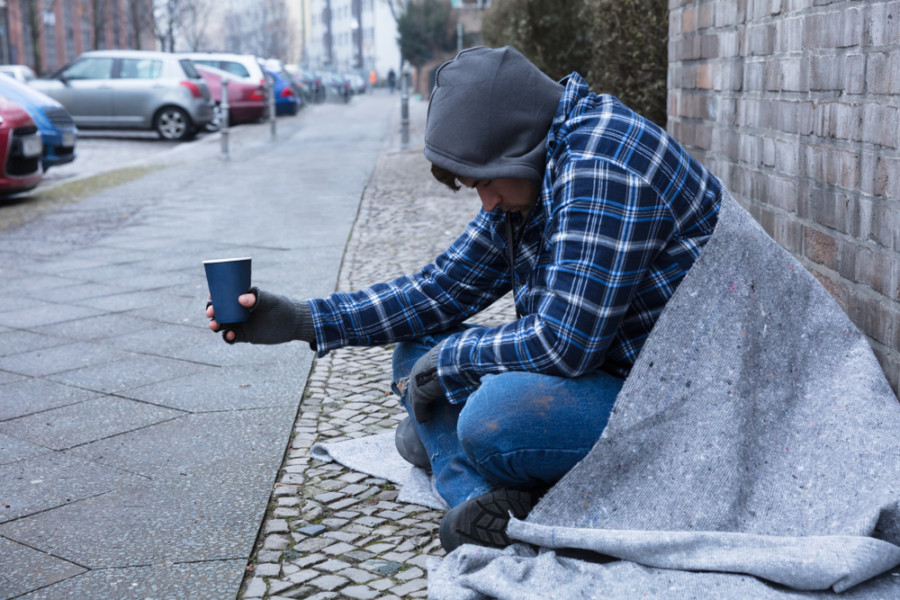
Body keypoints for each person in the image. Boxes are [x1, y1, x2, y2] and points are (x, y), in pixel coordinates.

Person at [206, 46, 723, 553]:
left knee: (487, 421)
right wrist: (302, 319)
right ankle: (481, 501)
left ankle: (468, 471)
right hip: (607, 374)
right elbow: (439, 290)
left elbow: (564, 345)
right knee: (417, 348)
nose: (488, 201)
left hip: (678, 407)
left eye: (484, 182)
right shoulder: (536, 163)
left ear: (513, 142)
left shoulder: (603, 163)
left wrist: (446, 368)